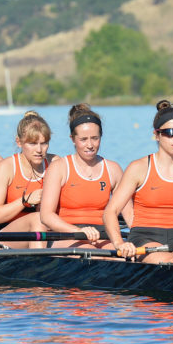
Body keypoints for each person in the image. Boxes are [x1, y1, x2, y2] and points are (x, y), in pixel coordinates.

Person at [104, 99, 173, 263]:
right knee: (170, 262)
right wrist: (119, 243)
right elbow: (110, 212)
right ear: (156, 135)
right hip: (144, 239)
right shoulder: (138, 168)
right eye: (169, 132)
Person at [40, 104, 128, 248]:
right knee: (91, 253)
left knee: (117, 258)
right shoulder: (59, 168)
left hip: (102, 234)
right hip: (67, 234)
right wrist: (79, 231)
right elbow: (46, 216)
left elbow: (129, 214)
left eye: (95, 138)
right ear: (73, 139)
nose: (90, 145)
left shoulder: (113, 169)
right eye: (83, 139)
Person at [0, 110, 56, 247]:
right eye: (33, 143)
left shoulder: (55, 163)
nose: (39, 150)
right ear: (19, 142)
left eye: (44, 143)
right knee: (38, 220)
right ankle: (42, 266)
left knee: (40, 220)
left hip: (46, 229)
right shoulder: (6, 168)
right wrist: (25, 201)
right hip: (7, 232)